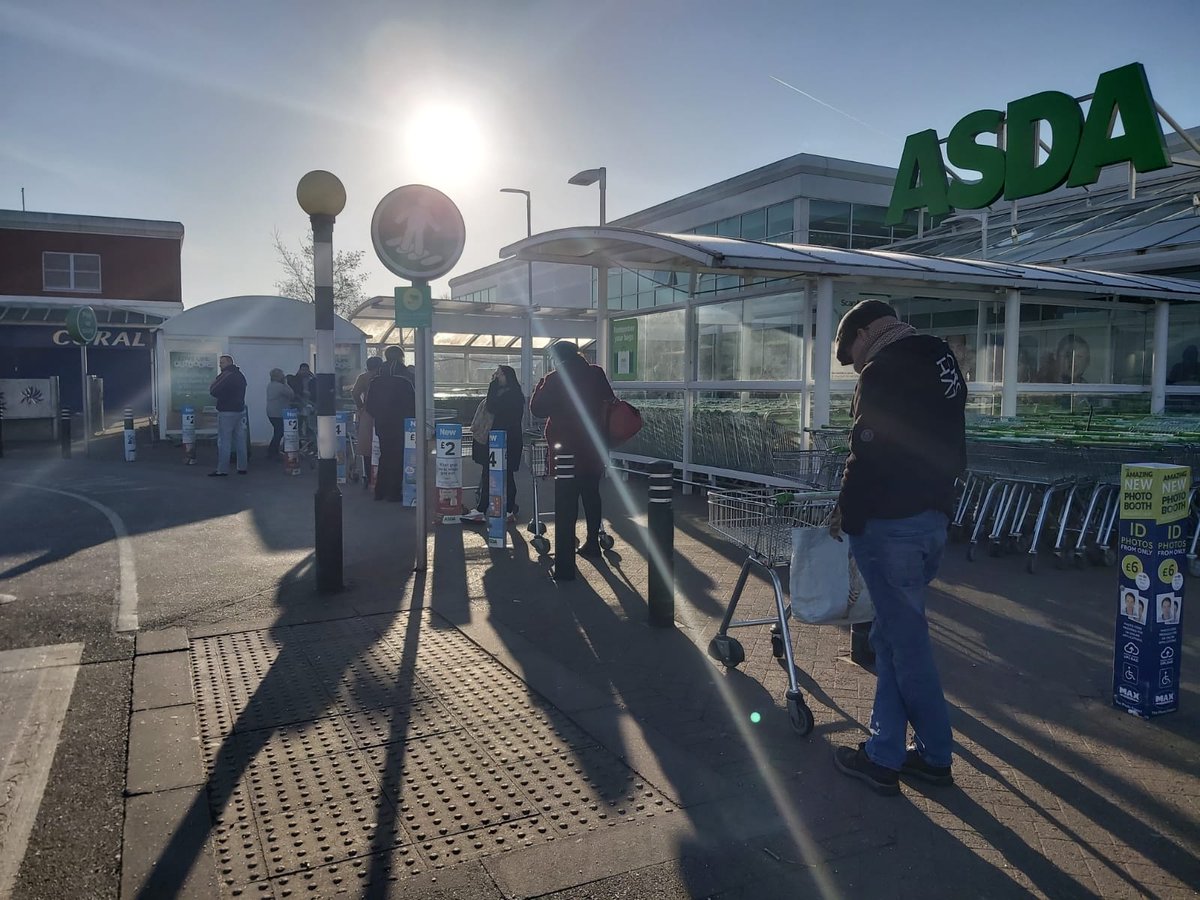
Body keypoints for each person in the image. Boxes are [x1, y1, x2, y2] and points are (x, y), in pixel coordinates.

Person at [828, 299, 966, 796]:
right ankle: (885, 749)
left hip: (891, 526)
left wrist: (846, 512)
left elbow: (865, 450)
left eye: (852, 354)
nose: (855, 365)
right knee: (888, 638)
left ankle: (932, 755)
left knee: (907, 646)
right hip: (931, 519)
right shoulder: (941, 359)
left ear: (866, 332)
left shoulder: (883, 370)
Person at [529, 341, 616, 558]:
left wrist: (541, 383)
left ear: (557, 357)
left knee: (567, 496)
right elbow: (610, 400)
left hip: (565, 446)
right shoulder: (596, 373)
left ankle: (566, 544)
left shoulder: (555, 379)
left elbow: (536, 409)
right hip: (593, 443)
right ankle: (592, 542)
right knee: (591, 494)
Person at [462, 365, 524, 523]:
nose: (495, 377)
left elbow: (492, 407)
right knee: (498, 475)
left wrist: (492, 386)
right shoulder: (510, 393)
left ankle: (485, 509)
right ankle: (505, 508)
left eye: (499, 374)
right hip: (500, 440)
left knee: (495, 474)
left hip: (503, 440)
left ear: (507, 377)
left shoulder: (511, 395)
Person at [365, 347, 415, 501]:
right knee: (398, 456)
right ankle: (394, 492)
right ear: (401, 357)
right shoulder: (406, 376)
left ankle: (380, 491)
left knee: (384, 454)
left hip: (382, 422)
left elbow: (369, 404)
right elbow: (413, 401)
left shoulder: (377, 376)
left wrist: (378, 415)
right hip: (400, 422)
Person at [209, 354, 249, 477]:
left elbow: (213, 390)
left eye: (222, 362)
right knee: (240, 440)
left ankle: (222, 469)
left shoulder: (226, 375)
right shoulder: (240, 376)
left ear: (228, 363)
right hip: (240, 410)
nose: (220, 365)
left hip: (226, 411)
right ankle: (242, 467)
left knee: (224, 441)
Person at [351, 357, 384, 489]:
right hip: (384, 413)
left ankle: (370, 476)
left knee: (367, 446)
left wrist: (361, 407)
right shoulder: (383, 376)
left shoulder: (363, 377)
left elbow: (355, 393)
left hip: (368, 413)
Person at [265, 368, 295, 461]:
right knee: (279, 432)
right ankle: (272, 452)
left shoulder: (270, 385)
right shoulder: (280, 386)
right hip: (278, 413)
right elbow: (291, 394)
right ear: (278, 377)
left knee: (277, 431)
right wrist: (286, 383)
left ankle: (274, 451)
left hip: (271, 412)